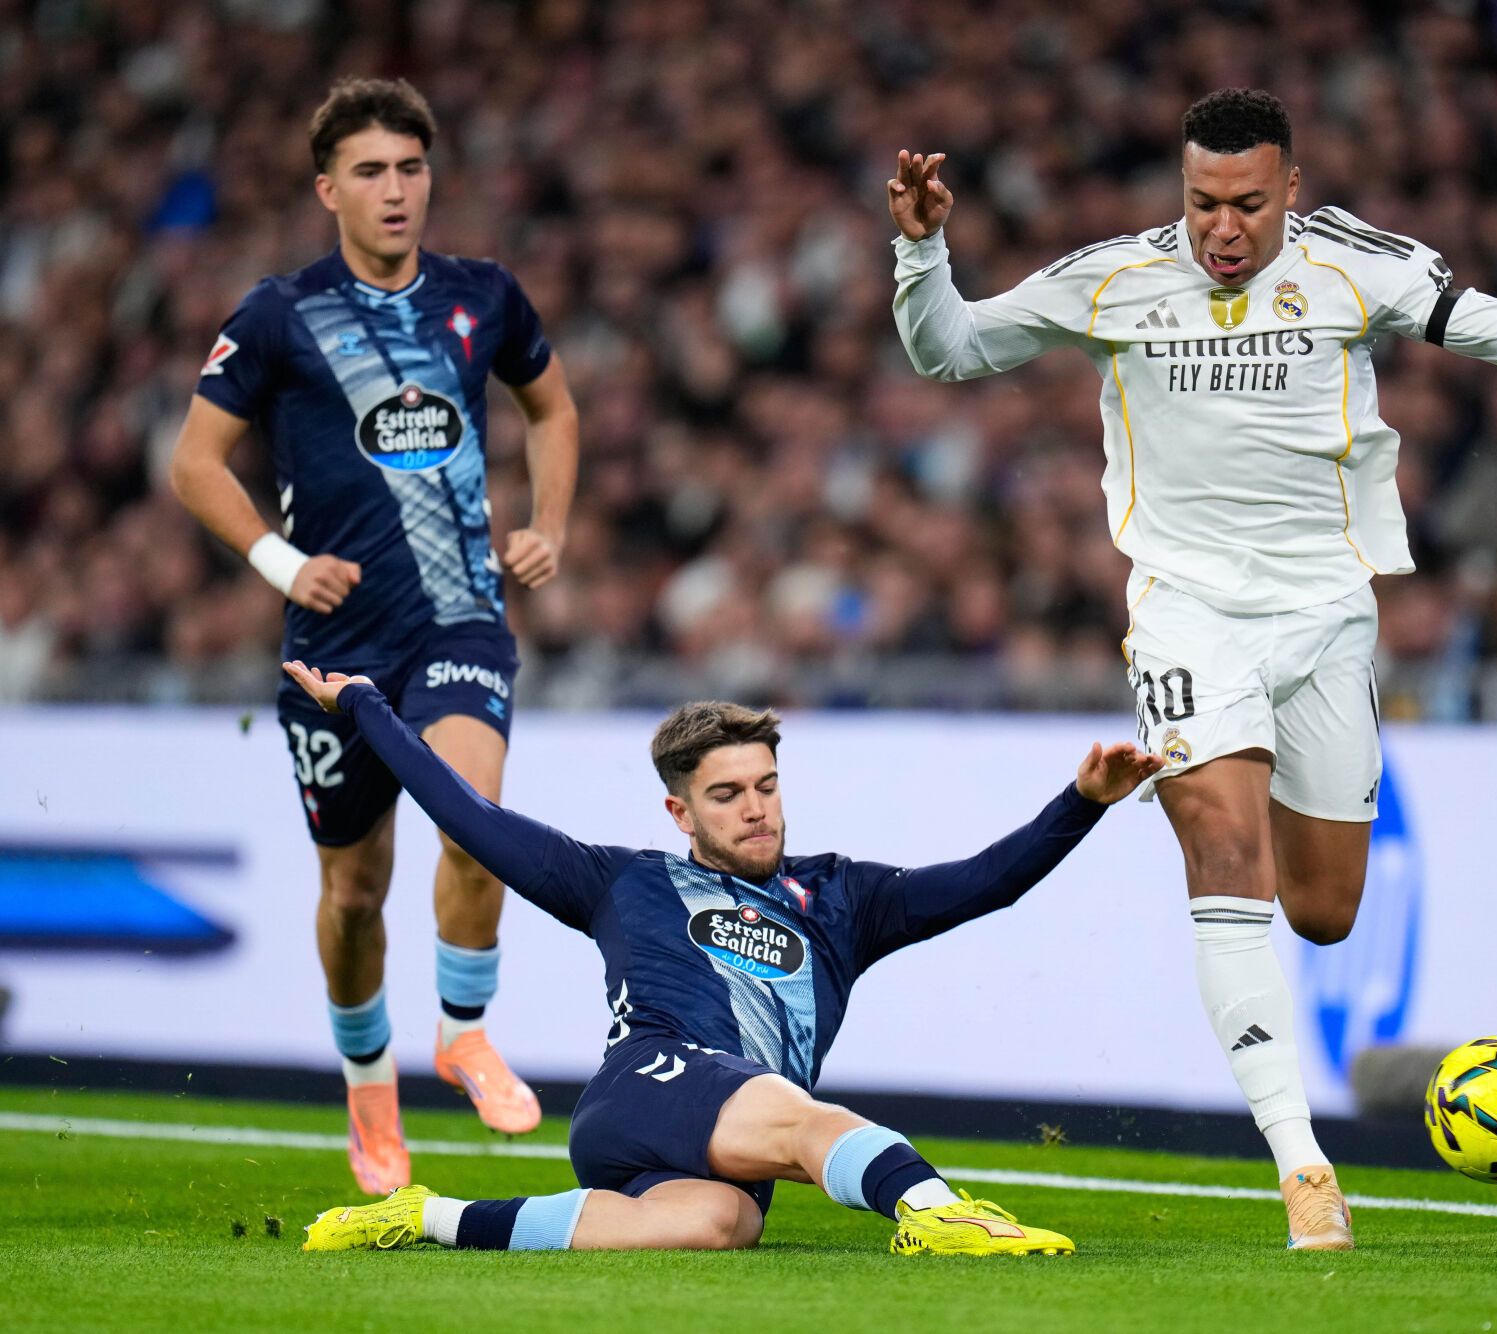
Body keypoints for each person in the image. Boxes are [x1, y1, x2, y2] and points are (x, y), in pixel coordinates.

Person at [885, 87, 1497, 1250]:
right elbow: (948, 350)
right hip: (1184, 612)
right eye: (1198, 203)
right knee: (1222, 851)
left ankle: (1243, 866)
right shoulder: (1113, 278)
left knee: (1324, 910)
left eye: (1244, 203)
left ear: (1290, 188)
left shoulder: (1353, 270)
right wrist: (922, 247)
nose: (1220, 229)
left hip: (1327, 617)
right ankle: (1302, 1167)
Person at [281, 660, 1161, 1255]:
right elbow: (468, 815)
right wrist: (364, 706)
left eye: (767, 787)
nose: (756, 810)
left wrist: (1081, 803)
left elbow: (985, 882)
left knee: (719, 1221)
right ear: (680, 813)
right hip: (647, 1083)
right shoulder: (618, 881)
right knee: (799, 1113)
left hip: (714, 1143)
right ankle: (939, 1215)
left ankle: (427, 1217)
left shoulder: (847, 899)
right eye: (728, 795)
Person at [167, 78, 580, 1193]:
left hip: (460, 620)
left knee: (478, 821)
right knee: (354, 889)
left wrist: (546, 525)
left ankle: (463, 1026)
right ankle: (367, 1086)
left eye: (410, 168)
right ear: (326, 189)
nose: (394, 191)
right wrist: (281, 562)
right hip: (332, 645)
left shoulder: (484, 296)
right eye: (369, 172)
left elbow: (552, 406)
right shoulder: (277, 313)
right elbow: (194, 463)